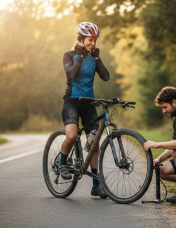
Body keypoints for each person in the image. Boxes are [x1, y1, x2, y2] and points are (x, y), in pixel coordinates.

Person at [59, 22, 109, 198]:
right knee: (72, 136)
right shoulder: (69, 55)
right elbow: (70, 75)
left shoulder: (93, 57)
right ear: (81, 39)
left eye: (95, 40)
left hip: (89, 104)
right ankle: (62, 163)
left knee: (94, 144)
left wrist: (96, 58)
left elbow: (105, 77)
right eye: (90, 40)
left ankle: (96, 186)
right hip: (72, 102)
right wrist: (79, 56)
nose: (93, 44)